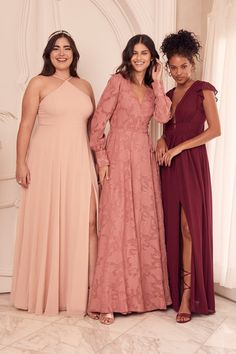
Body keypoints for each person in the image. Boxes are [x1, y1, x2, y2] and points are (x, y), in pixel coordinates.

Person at [11, 30, 98, 316]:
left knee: (84, 223)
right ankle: (45, 293)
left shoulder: (85, 86)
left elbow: (92, 131)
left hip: (79, 160)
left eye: (67, 48)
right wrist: (21, 163)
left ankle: (83, 293)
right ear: (49, 54)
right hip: (46, 160)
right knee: (47, 222)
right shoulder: (38, 83)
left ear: (74, 54)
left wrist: (99, 163)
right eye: (56, 48)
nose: (62, 53)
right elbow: (25, 125)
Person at [87, 34, 172, 325]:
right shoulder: (117, 82)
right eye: (135, 52)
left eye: (144, 53)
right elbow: (97, 122)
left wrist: (159, 83)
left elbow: (163, 117)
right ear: (128, 55)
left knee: (143, 224)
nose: (139, 58)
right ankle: (108, 300)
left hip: (143, 161)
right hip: (118, 155)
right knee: (115, 225)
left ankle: (145, 297)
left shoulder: (152, 89)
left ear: (151, 59)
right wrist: (102, 160)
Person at [157, 30, 221, 323]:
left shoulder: (203, 89)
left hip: (192, 163)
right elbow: (165, 130)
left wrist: (179, 147)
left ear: (192, 64)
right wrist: (161, 142)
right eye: (173, 67)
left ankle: (187, 295)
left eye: (184, 66)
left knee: (188, 228)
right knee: (171, 226)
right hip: (169, 167)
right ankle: (172, 291)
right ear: (168, 67)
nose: (179, 72)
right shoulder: (168, 96)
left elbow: (214, 130)